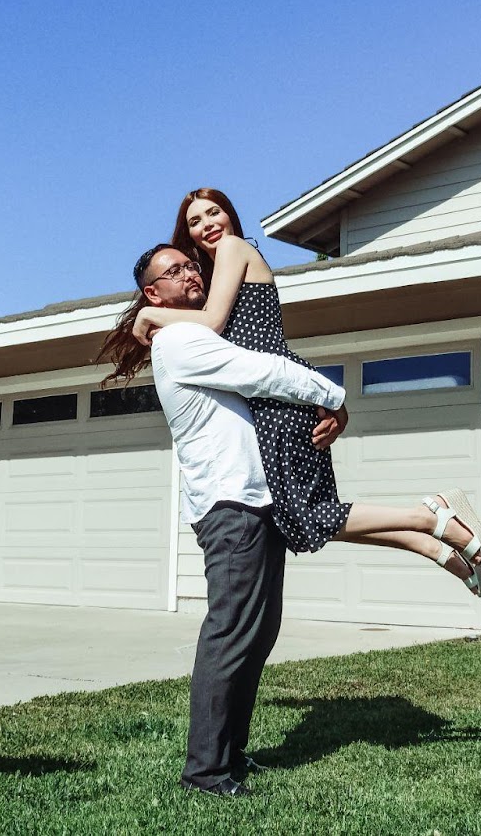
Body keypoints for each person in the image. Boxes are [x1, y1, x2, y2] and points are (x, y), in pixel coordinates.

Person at [104, 188, 481, 595]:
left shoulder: (234, 249)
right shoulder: (217, 272)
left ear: (231, 216)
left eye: (213, 212)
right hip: (271, 399)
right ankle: (428, 543)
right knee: (301, 519)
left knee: (309, 515)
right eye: (195, 222)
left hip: (278, 393)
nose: (207, 225)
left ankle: (431, 517)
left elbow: (214, 320)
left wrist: (148, 312)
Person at [108, 243, 349, 796]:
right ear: (153, 293)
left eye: (191, 266)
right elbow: (260, 371)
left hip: (256, 499)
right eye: (174, 271)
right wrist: (333, 395)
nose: (190, 273)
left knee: (258, 633)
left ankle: (232, 755)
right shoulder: (179, 339)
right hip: (229, 506)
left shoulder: (198, 331)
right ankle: (206, 772)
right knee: (230, 633)